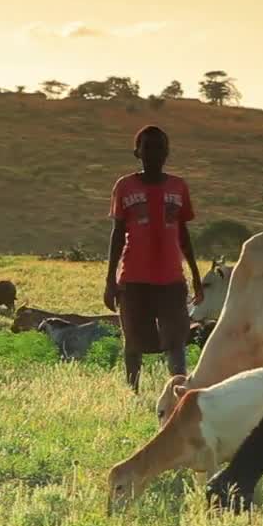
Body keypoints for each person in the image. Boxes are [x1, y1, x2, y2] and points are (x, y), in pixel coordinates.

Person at [104, 125, 203, 391]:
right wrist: (110, 280)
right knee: (134, 341)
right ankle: (132, 392)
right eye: (147, 147)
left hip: (171, 278)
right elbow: (117, 233)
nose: (153, 152)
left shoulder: (178, 187)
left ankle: (179, 393)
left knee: (176, 340)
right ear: (137, 152)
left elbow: (183, 233)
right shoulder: (124, 186)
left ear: (167, 152)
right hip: (134, 278)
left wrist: (194, 274)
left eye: (159, 147)